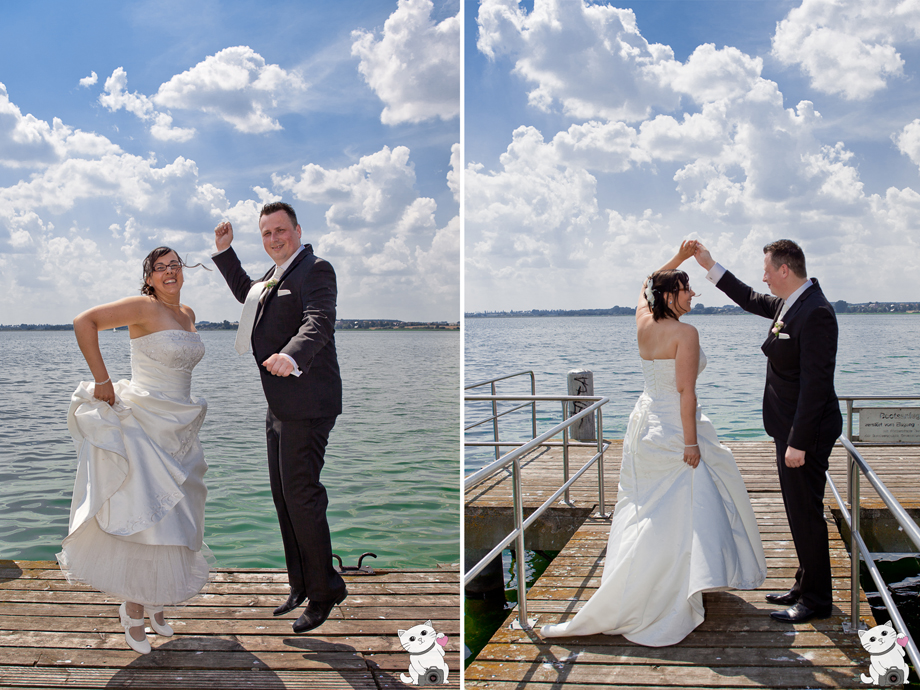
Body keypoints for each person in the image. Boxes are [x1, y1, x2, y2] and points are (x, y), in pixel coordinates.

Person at [541, 241, 767, 646]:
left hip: (644, 424)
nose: (693, 293)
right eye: (686, 287)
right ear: (669, 295)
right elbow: (686, 393)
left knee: (649, 509)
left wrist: (679, 260)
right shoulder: (685, 332)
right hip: (675, 428)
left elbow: (646, 283)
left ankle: (665, 581)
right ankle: (666, 593)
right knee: (679, 511)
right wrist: (693, 443)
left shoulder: (644, 321)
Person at [58, 247, 211, 655]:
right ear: (149, 278)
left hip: (180, 424)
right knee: (145, 517)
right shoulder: (143, 306)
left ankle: (158, 603)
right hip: (145, 421)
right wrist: (102, 380)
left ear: (184, 271)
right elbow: (83, 322)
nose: (169, 272)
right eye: (160, 268)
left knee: (176, 514)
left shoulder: (188, 314)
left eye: (175, 265)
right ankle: (133, 608)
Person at [212, 201, 346, 634]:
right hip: (279, 406)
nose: (273, 239)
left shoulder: (315, 269)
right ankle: (301, 584)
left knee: (304, 498)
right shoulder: (274, 277)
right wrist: (225, 251)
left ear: (297, 230)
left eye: (280, 230)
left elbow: (319, 322)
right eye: (266, 233)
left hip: (308, 403)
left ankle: (325, 592)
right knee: (284, 498)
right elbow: (248, 296)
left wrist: (291, 355)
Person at [694, 239, 842, 624]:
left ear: (784, 270)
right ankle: (804, 581)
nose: (763, 277)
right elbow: (748, 297)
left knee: (805, 513)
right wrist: (710, 265)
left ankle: (816, 601)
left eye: (767, 270)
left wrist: (797, 442)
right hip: (788, 429)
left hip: (803, 435)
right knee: (798, 511)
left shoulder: (816, 313)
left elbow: (816, 385)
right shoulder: (790, 304)